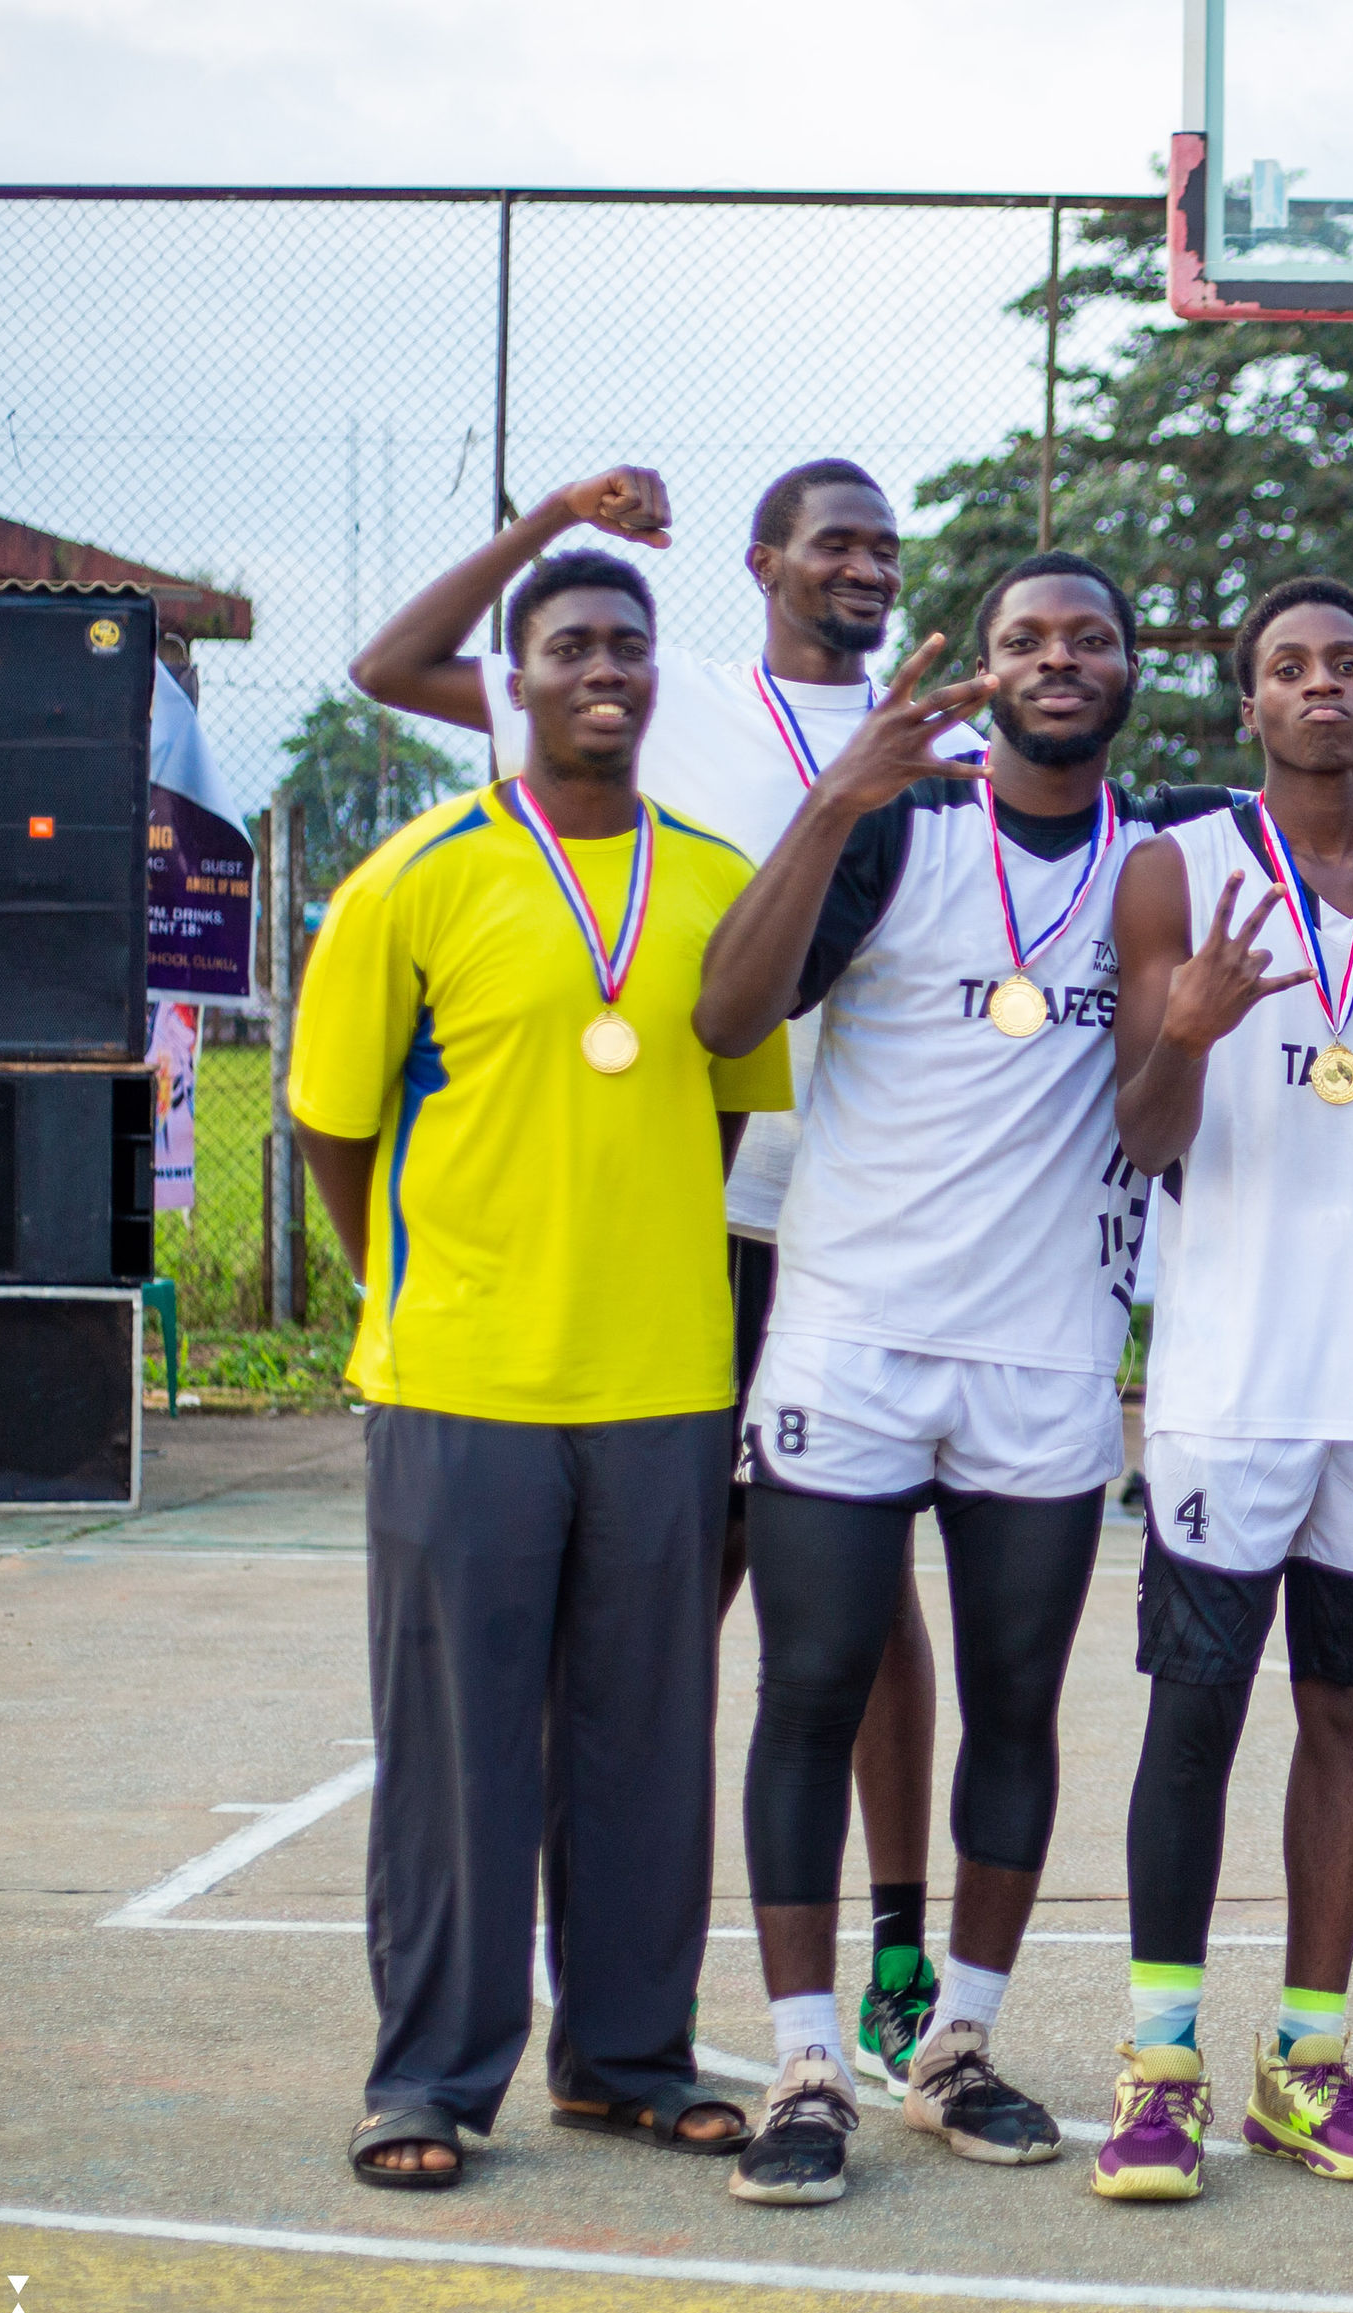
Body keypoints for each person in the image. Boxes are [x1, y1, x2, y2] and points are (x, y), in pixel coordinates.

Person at [685, 552, 1353, 2204]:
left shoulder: (1203, 839)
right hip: (863, 1332)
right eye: (1024, 639)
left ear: (1140, 667)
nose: (1057, 659)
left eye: (1090, 636)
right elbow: (731, 1007)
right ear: (987, 669)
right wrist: (836, 803)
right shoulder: (948, 836)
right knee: (813, 1683)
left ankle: (967, 2043)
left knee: (1021, 1704)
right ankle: (809, 2055)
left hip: (1055, 1349)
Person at [351, 460, 975, 2091]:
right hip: (711, 1224)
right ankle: (585, 1974)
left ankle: (897, 1929)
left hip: (875, 1222)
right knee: (643, 1631)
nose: (866, 565)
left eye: (886, 547)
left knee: (861, 1591)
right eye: (836, 541)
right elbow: (391, 665)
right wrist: (554, 517)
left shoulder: (946, 739)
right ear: (764, 560)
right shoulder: (665, 690)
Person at [293, 549, 793, 2189]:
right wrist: (424, 1287)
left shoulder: (719, 879)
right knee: (458, 1744)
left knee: (646, 1736)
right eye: (571, 642)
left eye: (628, 645)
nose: (604, 667)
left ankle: (628, 2053)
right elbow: (332, 1126)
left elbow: (727, 1115)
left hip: (659, 1379)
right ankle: (430, 2074)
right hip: (465, 1380)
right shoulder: (412, 879)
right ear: (512, 676)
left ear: (657, 676)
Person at [1096, 575, 1353, 2201]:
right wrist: (1183, 1032)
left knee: (1346, 1719)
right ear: (1250, 702)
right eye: (1288, 665)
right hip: (1231, 1383)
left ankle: (1309, 2058)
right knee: (1193, 1722)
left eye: (1348, 660)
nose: (1320, 684)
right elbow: (1141, 1134)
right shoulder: (1177, 870)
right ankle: (1158, 2066)